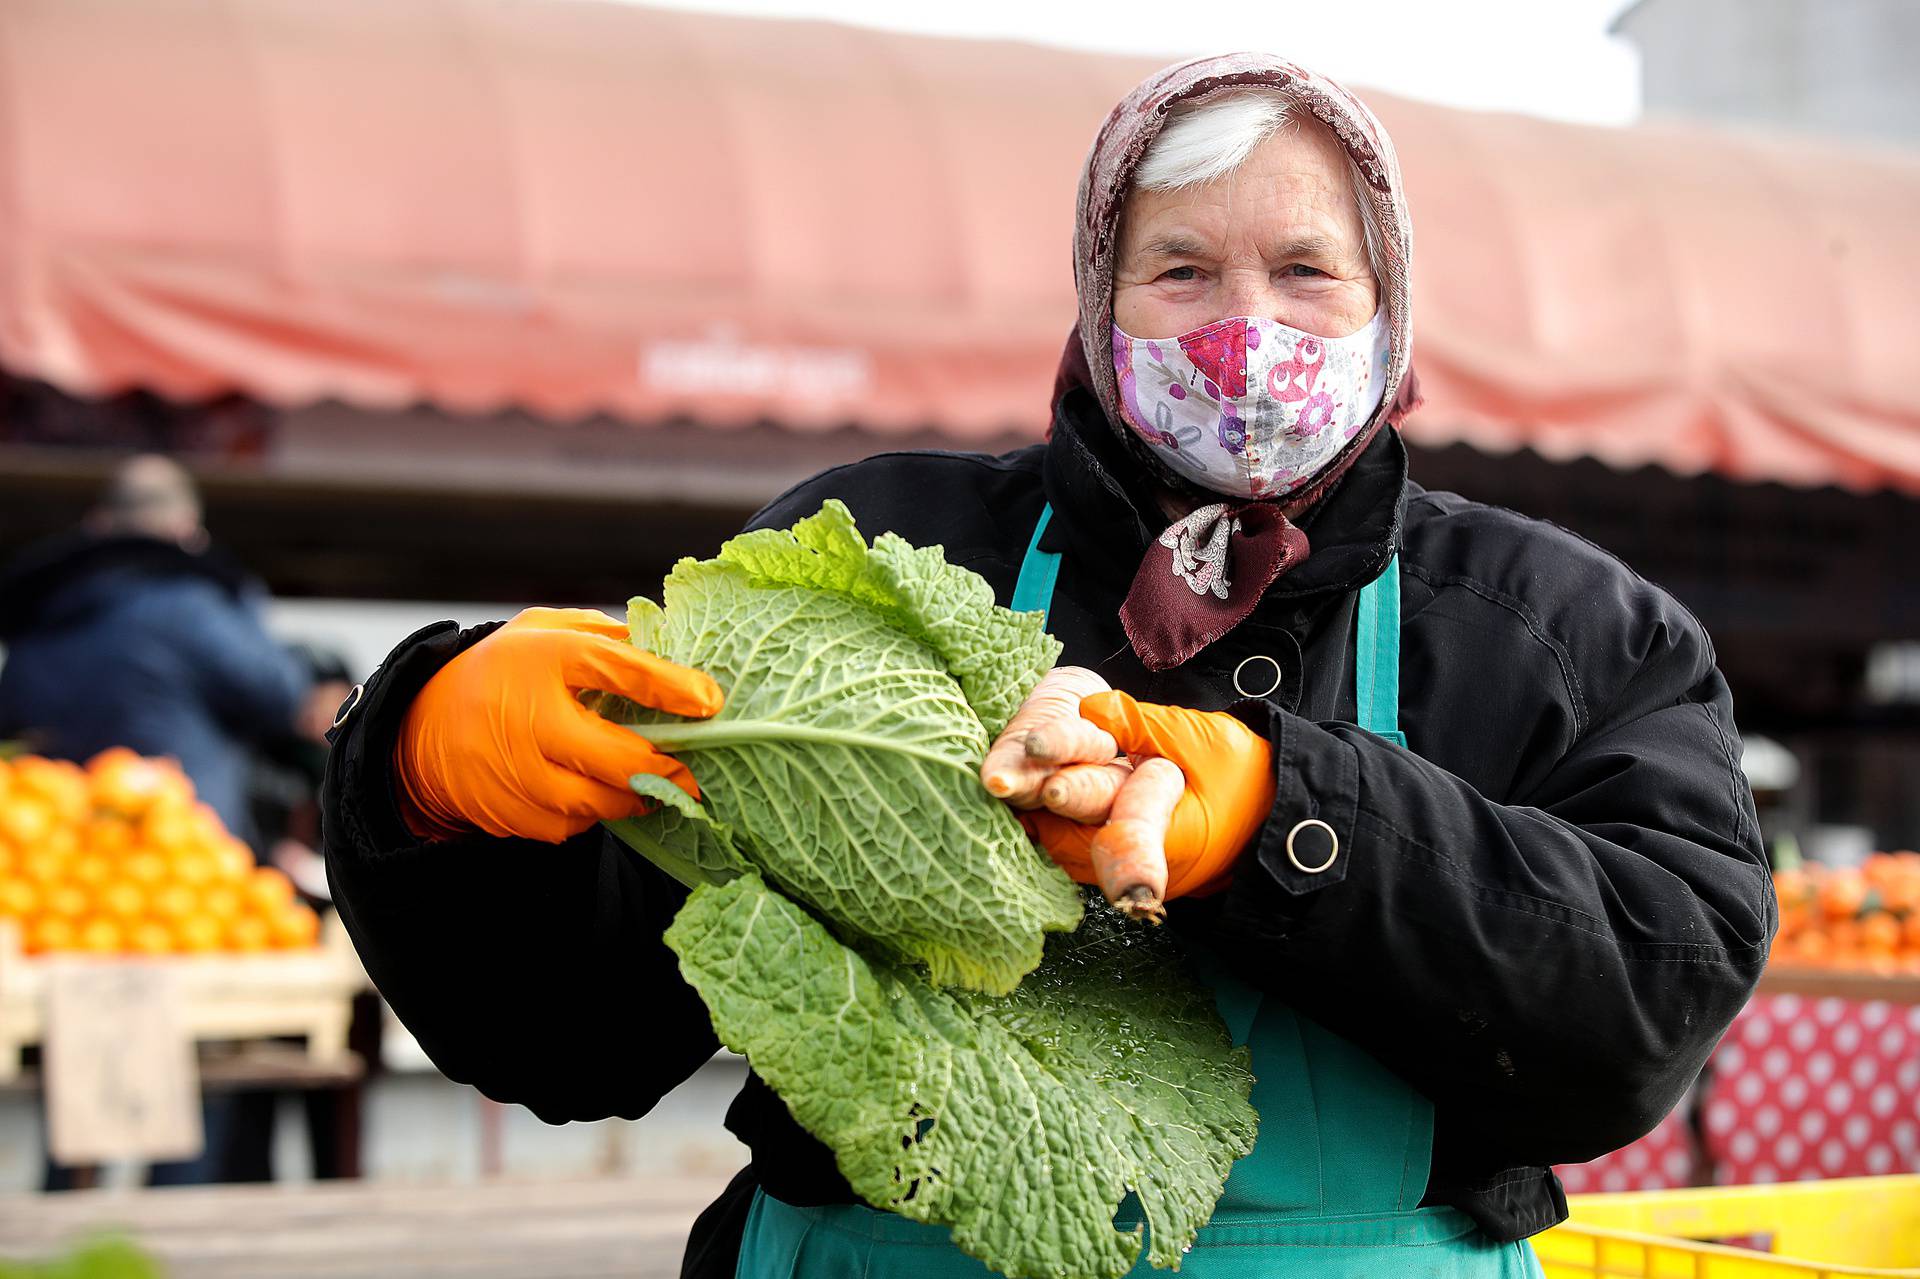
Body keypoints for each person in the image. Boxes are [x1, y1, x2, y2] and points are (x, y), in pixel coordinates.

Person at [320, 55, 1772, 1275]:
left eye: (1307, 272)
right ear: (1096, 292)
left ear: (1390, 304)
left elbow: (1649, 1002)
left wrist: (1286, 824)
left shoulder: (1562, 625)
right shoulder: (880, 548)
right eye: (1182, 269)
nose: (1245, 332)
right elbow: (572, 1033)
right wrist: (416, 771)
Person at [0, 453, 317, 1187]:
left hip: (59, 903)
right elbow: (278, 690)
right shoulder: (188, 602)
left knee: (81, 1094)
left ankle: (71, 1238)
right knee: (191, 1100)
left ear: (97, 526)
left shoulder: (42, 623)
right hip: (184, 893)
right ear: (187, 530)